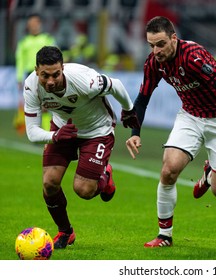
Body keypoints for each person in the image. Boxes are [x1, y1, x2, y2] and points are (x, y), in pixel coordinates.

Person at [125, 16, 216, 248]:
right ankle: (164, 235)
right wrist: (134, 132)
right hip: (190, 116)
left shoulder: (193, 56)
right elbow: (143, 99)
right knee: (169, 170)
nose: (156, 50)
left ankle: (210, 174)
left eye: (160, 44)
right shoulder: (154, 63)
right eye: (151, 45)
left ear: (173, 38)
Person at [23, 46, 140, 249]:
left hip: (97, 131)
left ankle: (105, 175)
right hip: (63, 129)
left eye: (55, 75)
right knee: (49, 183)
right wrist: (55, 135)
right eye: (44, 76)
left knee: (84, 190)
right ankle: (66, 232)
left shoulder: (84, 80)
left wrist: (128, 110)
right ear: (36, 71)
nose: (50, 81)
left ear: (63, 68)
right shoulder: (32, 86)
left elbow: (116, 85)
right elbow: (32, 132)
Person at [15, 14, 56, 134]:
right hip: (30, 75)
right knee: (33, 105)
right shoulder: (24, 42)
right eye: (31, 24)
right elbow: (20, 60)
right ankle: (35, 131)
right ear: (28, 26)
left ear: (40, 24)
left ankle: (48, 133)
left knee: (46, 104)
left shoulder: (47, 39)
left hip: (46, 75)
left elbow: (56, 56)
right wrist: (19, 78)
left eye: (35, 23)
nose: (34, 26)